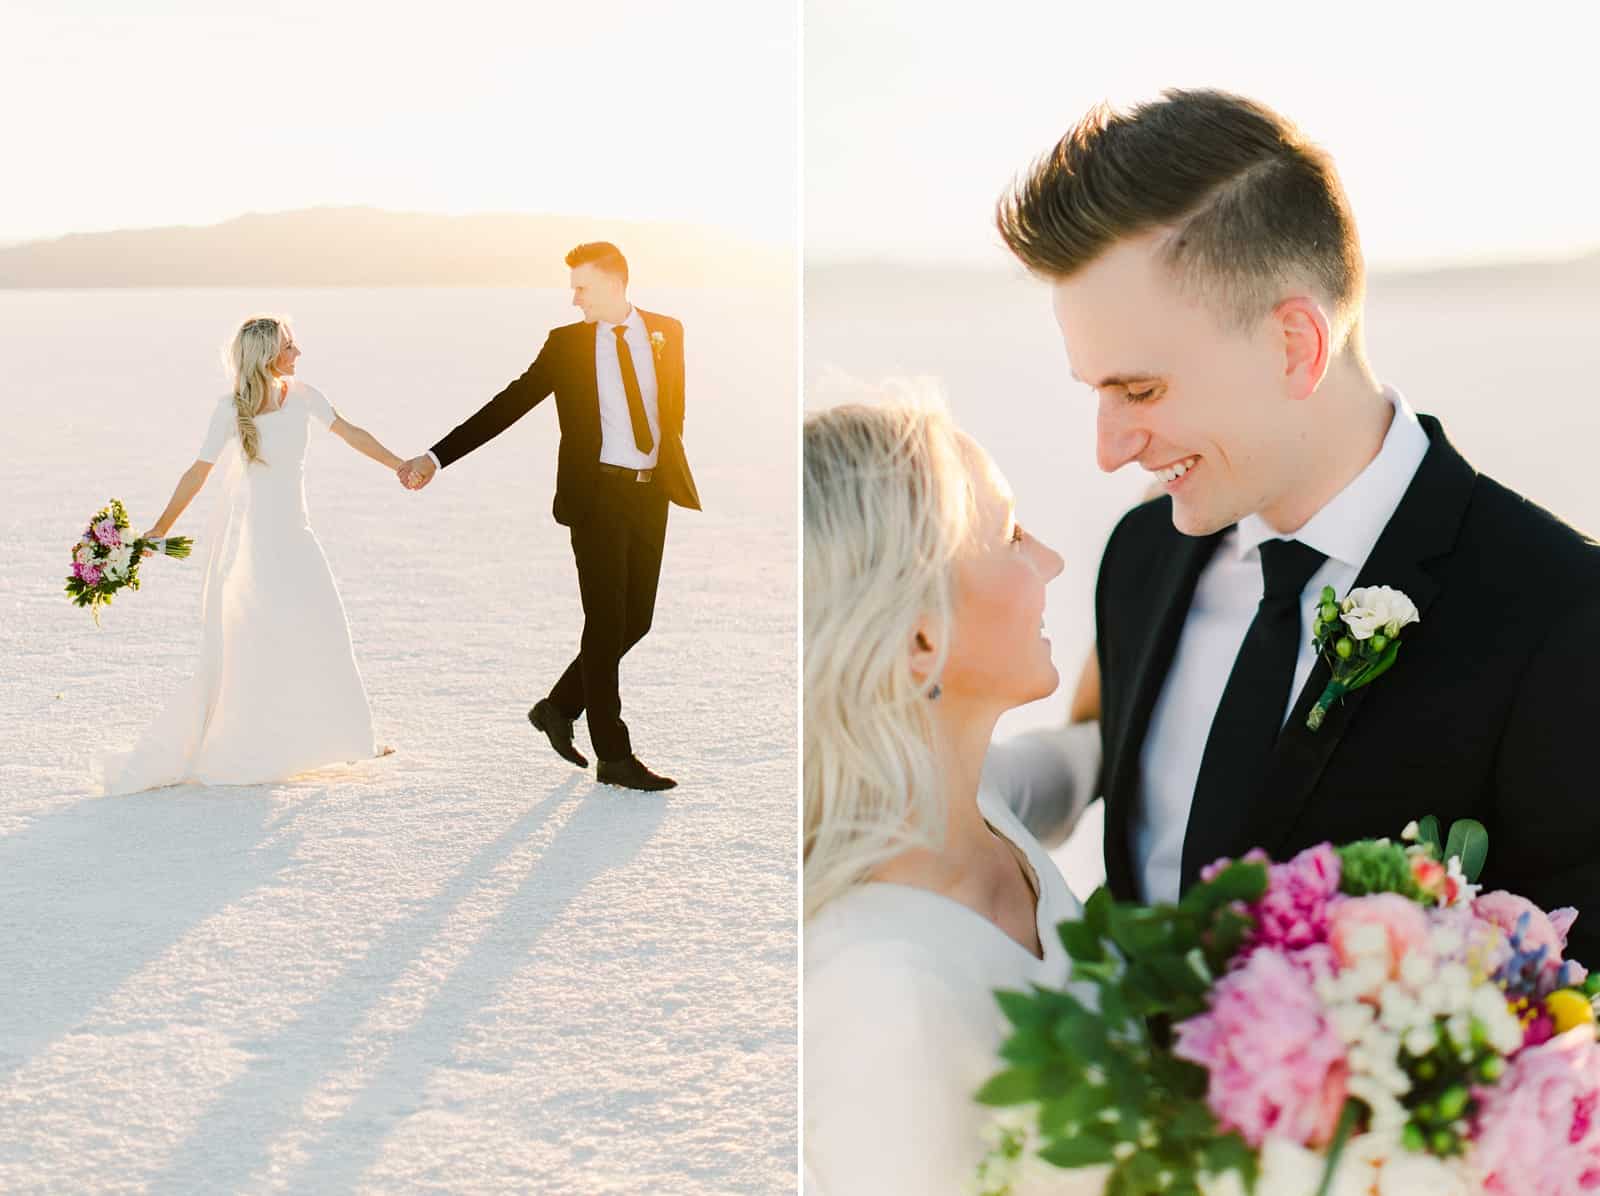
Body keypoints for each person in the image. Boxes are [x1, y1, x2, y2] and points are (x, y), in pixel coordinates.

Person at [990, 88, 1600, 966]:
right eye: (1096, 390)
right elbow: (1106, 741)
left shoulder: (1561, 616)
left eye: (1142, 390)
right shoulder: (1142, 556)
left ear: (1296, 347)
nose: (1110, 448)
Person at [802, 401, 1097, 1193]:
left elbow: (1079, 764)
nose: (1052, 560)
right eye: (1010, 537)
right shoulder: (876, 992)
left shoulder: (981, 804)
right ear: (922, 639)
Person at [397, 242, 700, 791]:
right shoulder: (567, 346)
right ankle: (615, 756)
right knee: (606, 624)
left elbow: (670, 409)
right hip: (596, 497)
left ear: (613, 283)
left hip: (650, 494)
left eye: (581, 287)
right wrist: (436, 457)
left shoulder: (667, 332)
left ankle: (557, 708)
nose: (573, 298)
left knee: (637, 621)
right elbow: (509, 404)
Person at [98, 315, 402, 794]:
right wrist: (159, 529)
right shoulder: (229, 409)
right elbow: (197, 473)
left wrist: (399, 465)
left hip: (298, 537)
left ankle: (345, 735)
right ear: (266, 355)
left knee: (325, 627)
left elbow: (351, 432)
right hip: (259, 543)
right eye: (289, 346)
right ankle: (256, 744)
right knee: (261, 639)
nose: (298, 353)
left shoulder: (303, 395)